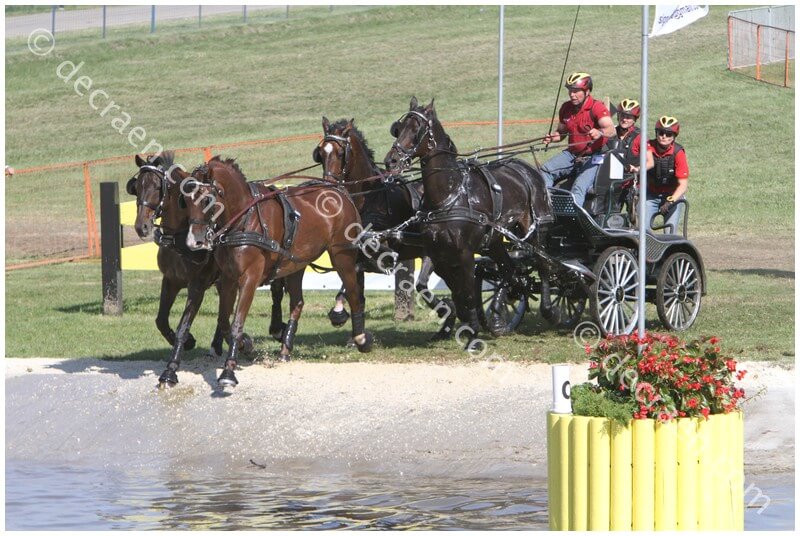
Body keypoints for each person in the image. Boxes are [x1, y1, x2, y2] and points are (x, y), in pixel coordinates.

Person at [541, 72, 616, 208]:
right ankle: (547, 208)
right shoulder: (566, 108)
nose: (572, 94)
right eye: (570, 90)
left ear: (587, 91)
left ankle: (575, 216)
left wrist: (600, 132)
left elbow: (611, 130)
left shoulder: (597, 107)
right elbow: (561, 133)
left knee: (578, 187)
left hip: (595, 157)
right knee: (545, 171)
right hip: (572, 154)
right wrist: (552, 137)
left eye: (576, 91)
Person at [642, 116, 688, 233]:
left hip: (672, 195)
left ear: (674, 137)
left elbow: (683, 185)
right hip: (651, 194)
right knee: (643, 231)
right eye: (661, 133)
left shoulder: (678, 152)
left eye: (668, 134)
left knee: (670, 232)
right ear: (656, 133)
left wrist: (670, 201)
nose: (664, 136)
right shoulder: (648, 147)